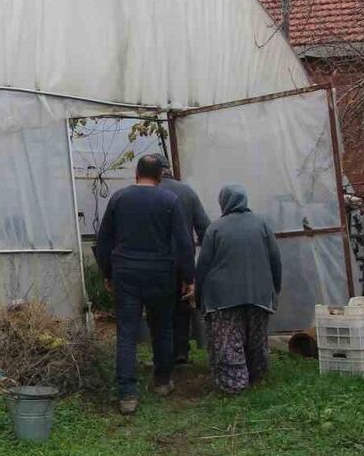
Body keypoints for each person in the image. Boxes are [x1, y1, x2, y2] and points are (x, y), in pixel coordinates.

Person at [93, 154, 195, 414]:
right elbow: (184, 243)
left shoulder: (119, 199)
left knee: (127, 332)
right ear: (160, 176)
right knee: (162, 328)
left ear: (135, 173)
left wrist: (107, 272)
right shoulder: (169, 200)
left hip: (126, 273)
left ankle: (127, 394)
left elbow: (104, 241)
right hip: (161, 273)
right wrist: (188, 277)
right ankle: (162, 381)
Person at [195, 184, 282, 394]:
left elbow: (203, 265)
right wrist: (274, 288)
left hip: (222, 297)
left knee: (228, 340)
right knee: (256, 339)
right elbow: (275, 259)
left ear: (223, 202)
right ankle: (257, 376)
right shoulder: (262, 225)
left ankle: (234, 383)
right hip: (259, 293)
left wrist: (199, 296)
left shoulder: (215, 228)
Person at [146, 154, 210, 366]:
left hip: (154, 262)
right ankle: (181, 351)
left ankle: (161, 356)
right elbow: (205, 228)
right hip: (183, 260)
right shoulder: (187, 192)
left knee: (157, 310)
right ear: (169, 168)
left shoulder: (147, 192)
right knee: (182, 307)